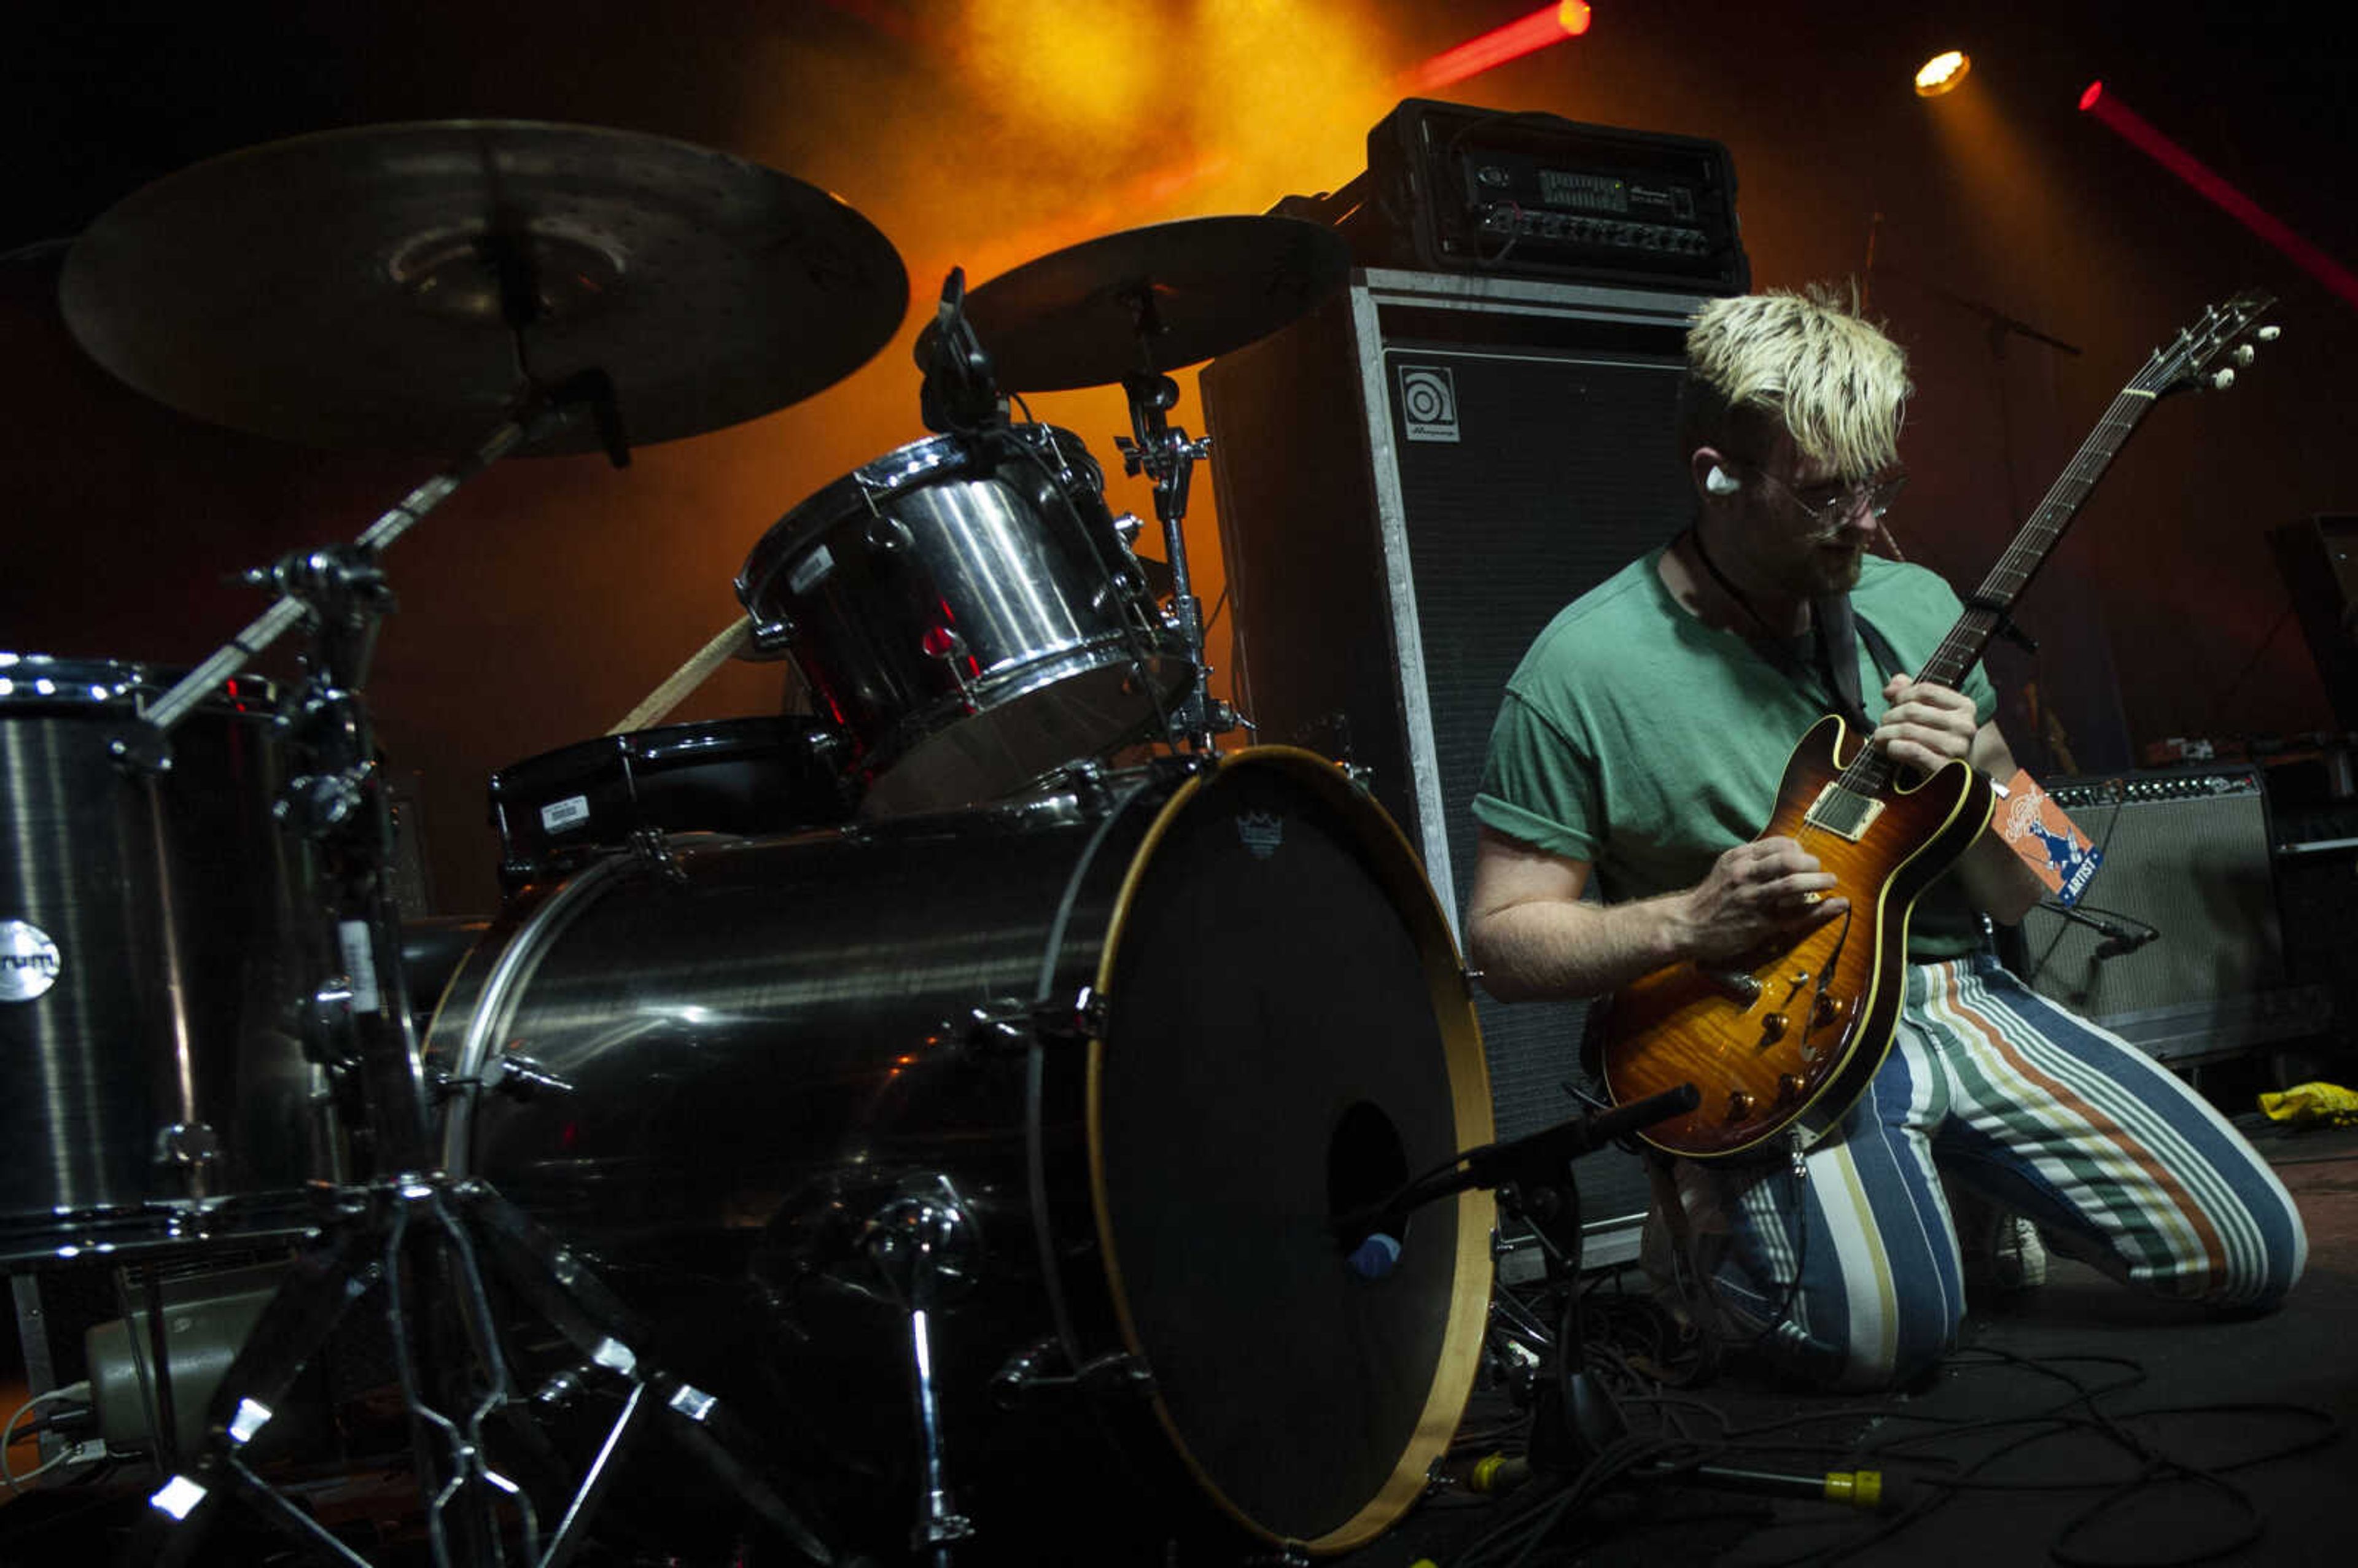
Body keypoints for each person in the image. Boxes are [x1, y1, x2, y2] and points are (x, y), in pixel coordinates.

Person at [1463, 284, 2306, 1391]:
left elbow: (2042, 879)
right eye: (1825, 494)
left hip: (1964, 997)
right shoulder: (1580, 668)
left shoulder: (1914, 603)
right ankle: (1709, 1231)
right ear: (1716, 472)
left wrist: (1990, 769)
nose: (1868, 520)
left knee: (2259, 1254)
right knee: (1885, 1339)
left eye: (1881, 482)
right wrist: (1687, 918)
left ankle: (1953, 1174)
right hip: (1775, 1030)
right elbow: (1501, 941)